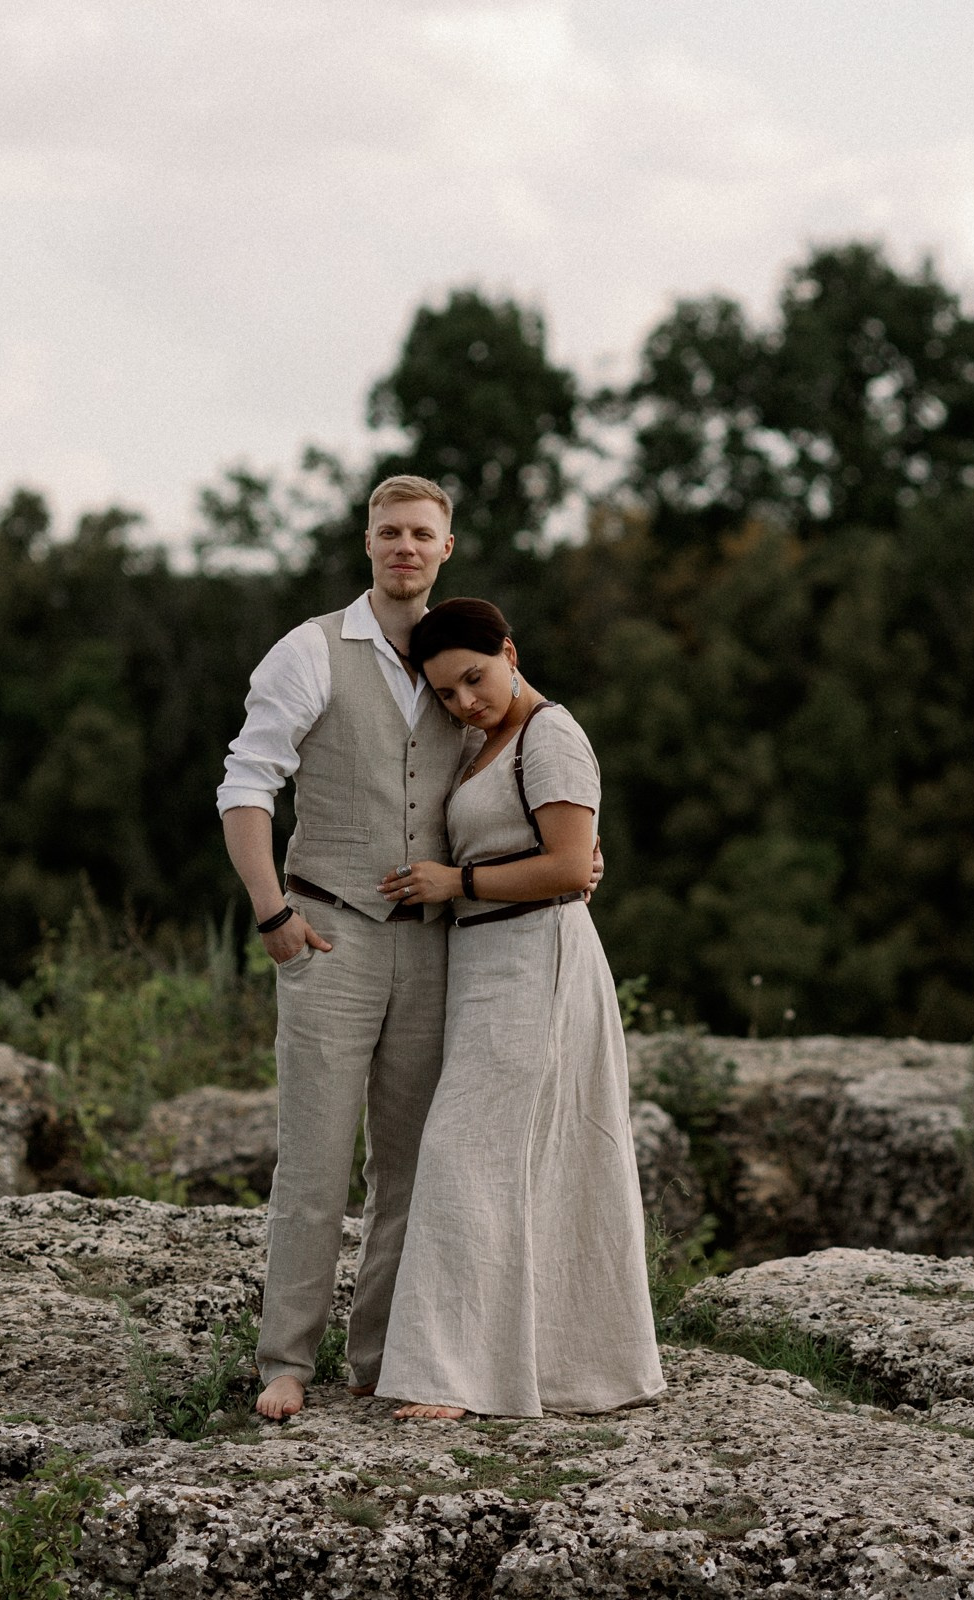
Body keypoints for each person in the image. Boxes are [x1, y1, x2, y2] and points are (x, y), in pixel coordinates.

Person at [216, 475, 473, 1423]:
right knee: (314, 1159)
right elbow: (247, 787)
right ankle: (286, 1360)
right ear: (366, 542)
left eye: (421, 534)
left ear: (446, 548)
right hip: (326, 933)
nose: (404, 546)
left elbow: (529, 747)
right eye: (388, 532)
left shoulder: (467, 652)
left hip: (438, 947)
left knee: (411, 1165)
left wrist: (584, 839)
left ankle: (382, 1358)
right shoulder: (310, 649)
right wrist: (271, 912)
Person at [373, 598, 664, 1420]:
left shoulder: (552, 736)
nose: (466, 700)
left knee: (465, 1151)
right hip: (484, 961)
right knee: (506, 1158)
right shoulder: (478, 741)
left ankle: (453, 1377)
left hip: (536, 957)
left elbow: (570, 866)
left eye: (476, 677)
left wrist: (456, 882)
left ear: (509, 650)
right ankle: (553, 1367)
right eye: (448, 692)